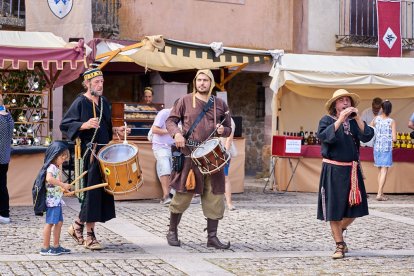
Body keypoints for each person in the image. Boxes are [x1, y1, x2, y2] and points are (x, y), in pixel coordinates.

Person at [60, 68, 130, 250]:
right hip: (88, 154)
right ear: (88, 84)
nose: (100, 85)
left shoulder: (104, 102)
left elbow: (106, 127)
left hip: (103, 154)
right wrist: (84, 124)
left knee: (99, 194)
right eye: (97, 82)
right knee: (91, 195)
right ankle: (89, 236)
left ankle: (77, 226)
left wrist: (117, 131)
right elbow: (65, 124)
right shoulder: (80, 102)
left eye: (102, 81)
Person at [165, 69, 232, 249]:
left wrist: (222, 131)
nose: (202, 83)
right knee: (183, 194)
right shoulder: (184, 101)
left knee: (215, 195)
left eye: (205, 80)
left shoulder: (220, 104)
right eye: (199, 80)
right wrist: (177, 134)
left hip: (213, 155)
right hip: (189, 154)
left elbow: (229, 128)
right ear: (195, 82)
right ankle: (172, 231)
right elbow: (170, 121)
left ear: (211, 83)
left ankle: (212, 237)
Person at [317, 89, 374, 259]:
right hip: (333, 170)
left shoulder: (355, 122)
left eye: (347, 100)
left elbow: (367, 136)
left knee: (355, 209)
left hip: (352, 171)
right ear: (335, 104)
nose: (345, 103)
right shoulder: (326, 120)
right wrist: (341, 119)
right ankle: (339, 245)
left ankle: (339, 229)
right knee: (334, 209)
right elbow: (324, 136)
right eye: (341, 100)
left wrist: (356, 117)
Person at [36, 142, 72, 256]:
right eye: (62, 158)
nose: (63, 161)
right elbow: (49, 179)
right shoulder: (51, 167)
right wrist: (62, 185)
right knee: (50, 223)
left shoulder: (56, 167)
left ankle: (56, 246)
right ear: (55, 155)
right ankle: (45, 248)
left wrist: (64, 190)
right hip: (52, 201)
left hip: (57, 200)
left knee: (59, 222)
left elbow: (55, 185)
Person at [371, 100, 396, 201]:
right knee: (384, 170)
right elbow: (394, 138)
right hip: (386, 148)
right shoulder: (391, 121)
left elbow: (370, 128)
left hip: (377, 147)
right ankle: (379, 194)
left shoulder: (376, 119)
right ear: (390, 110)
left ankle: (380, 191)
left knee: (380, 170)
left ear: (381, 108)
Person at [150, 106, 175, 205]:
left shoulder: (182, 116)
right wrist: (171, 131)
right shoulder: (164, 113)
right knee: (165, 167)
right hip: (161, 146)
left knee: (175, 169)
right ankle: (166, 196)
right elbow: (154, 130)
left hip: (175, 146)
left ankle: (174, 195)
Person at [0, 94, 14, 224]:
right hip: (4, 158)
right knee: (2, 186)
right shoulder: (8, 115)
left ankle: (4, 213)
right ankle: (4, 213)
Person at [221, 117, 237, 211]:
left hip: (223, 151)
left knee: (225, 177)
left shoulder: (229, 120)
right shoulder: (211, 116)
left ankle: (229, 203)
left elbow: (229, 139)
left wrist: (225, 153)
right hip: (210, 150)